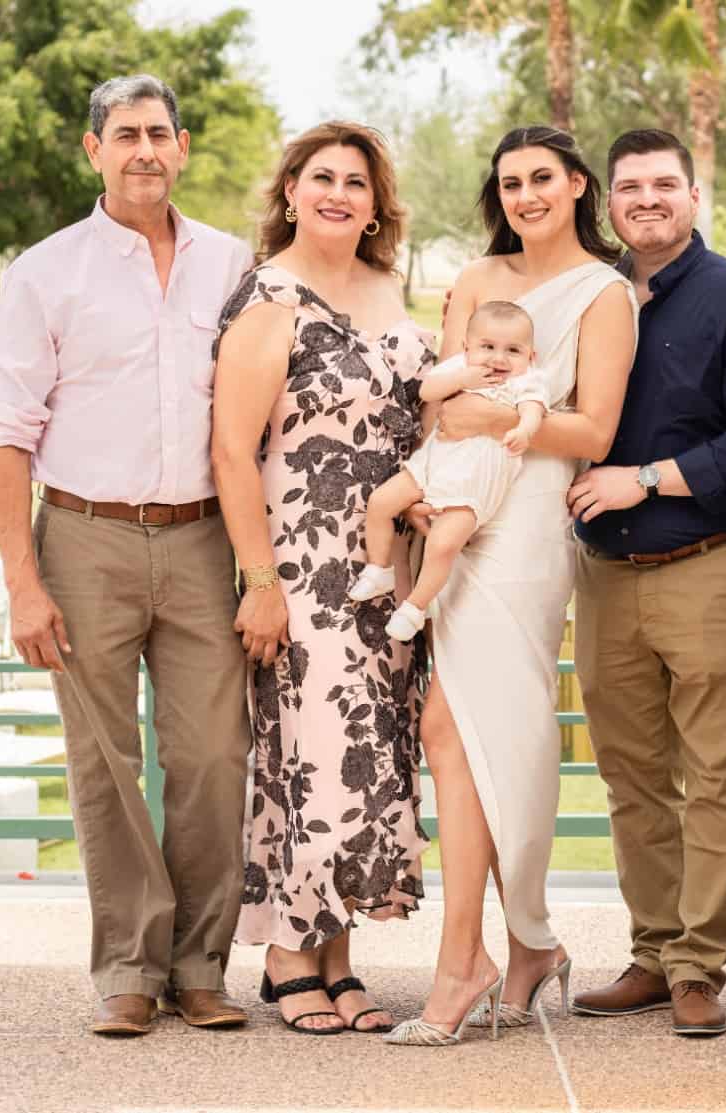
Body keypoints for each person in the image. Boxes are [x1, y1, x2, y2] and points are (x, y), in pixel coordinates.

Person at [0, 74, 253, 1037]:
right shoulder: (44, 272)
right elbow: (6, 432)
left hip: (203, 538)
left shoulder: (234, 265)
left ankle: (202, 967)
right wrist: (22, 582)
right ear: (93, 150)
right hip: (83, 536)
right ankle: (131, 967)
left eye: (159, 133)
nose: (145, 150)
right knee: (104, 763)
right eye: (126, 134)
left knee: (213, 755)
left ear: (183, 147)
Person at [383, 125, 638, 1047]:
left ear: (577, 185)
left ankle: (472, 959)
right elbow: (437, 401)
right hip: (457, 506)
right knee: (451, 727)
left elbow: (595, 431)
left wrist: (489, 418)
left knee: (474, 725)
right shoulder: (476, 280)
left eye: (543, 178)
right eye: (511, 182)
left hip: (528, 528)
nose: (526, 195)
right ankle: (522, 944)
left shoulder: (606, 292)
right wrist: (444, 461)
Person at [210, 122, 433, 1035]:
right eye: (322, 178)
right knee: (308, 755)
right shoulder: (271, 297)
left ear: (376, 205)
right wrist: (261, 580)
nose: (339, 193)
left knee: (369, 756)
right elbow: (232, 450)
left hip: (391, 571)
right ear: (292, 192)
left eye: (356, 182)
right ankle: (287, 955)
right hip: (305, 563)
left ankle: (337, 955)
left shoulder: (388, 288)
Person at [564, 129, 726, 1039]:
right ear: (608, 201)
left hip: (712, 567)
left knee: (721, 777)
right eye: (630, 187)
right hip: (605, 576)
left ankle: (699, 965)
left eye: (664, 184)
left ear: (694, 196)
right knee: (631, 777)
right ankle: (653, 954)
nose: (646, 200)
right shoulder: (589, 294)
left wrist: (647, 479)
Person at [348, 301, 550, 641]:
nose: (499, 359)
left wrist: (524, 430)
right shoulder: (461, 367)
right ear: (467, 347)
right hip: (433, 462)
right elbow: (427, 391)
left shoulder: (526, 381)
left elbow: (533, 410)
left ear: (531, 356)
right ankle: (379, 567)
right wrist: (462, 377)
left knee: (443, 544)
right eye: (488, 347)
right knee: (381, 502)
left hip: (474, 478)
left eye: (513, 350)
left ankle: (415, 607)